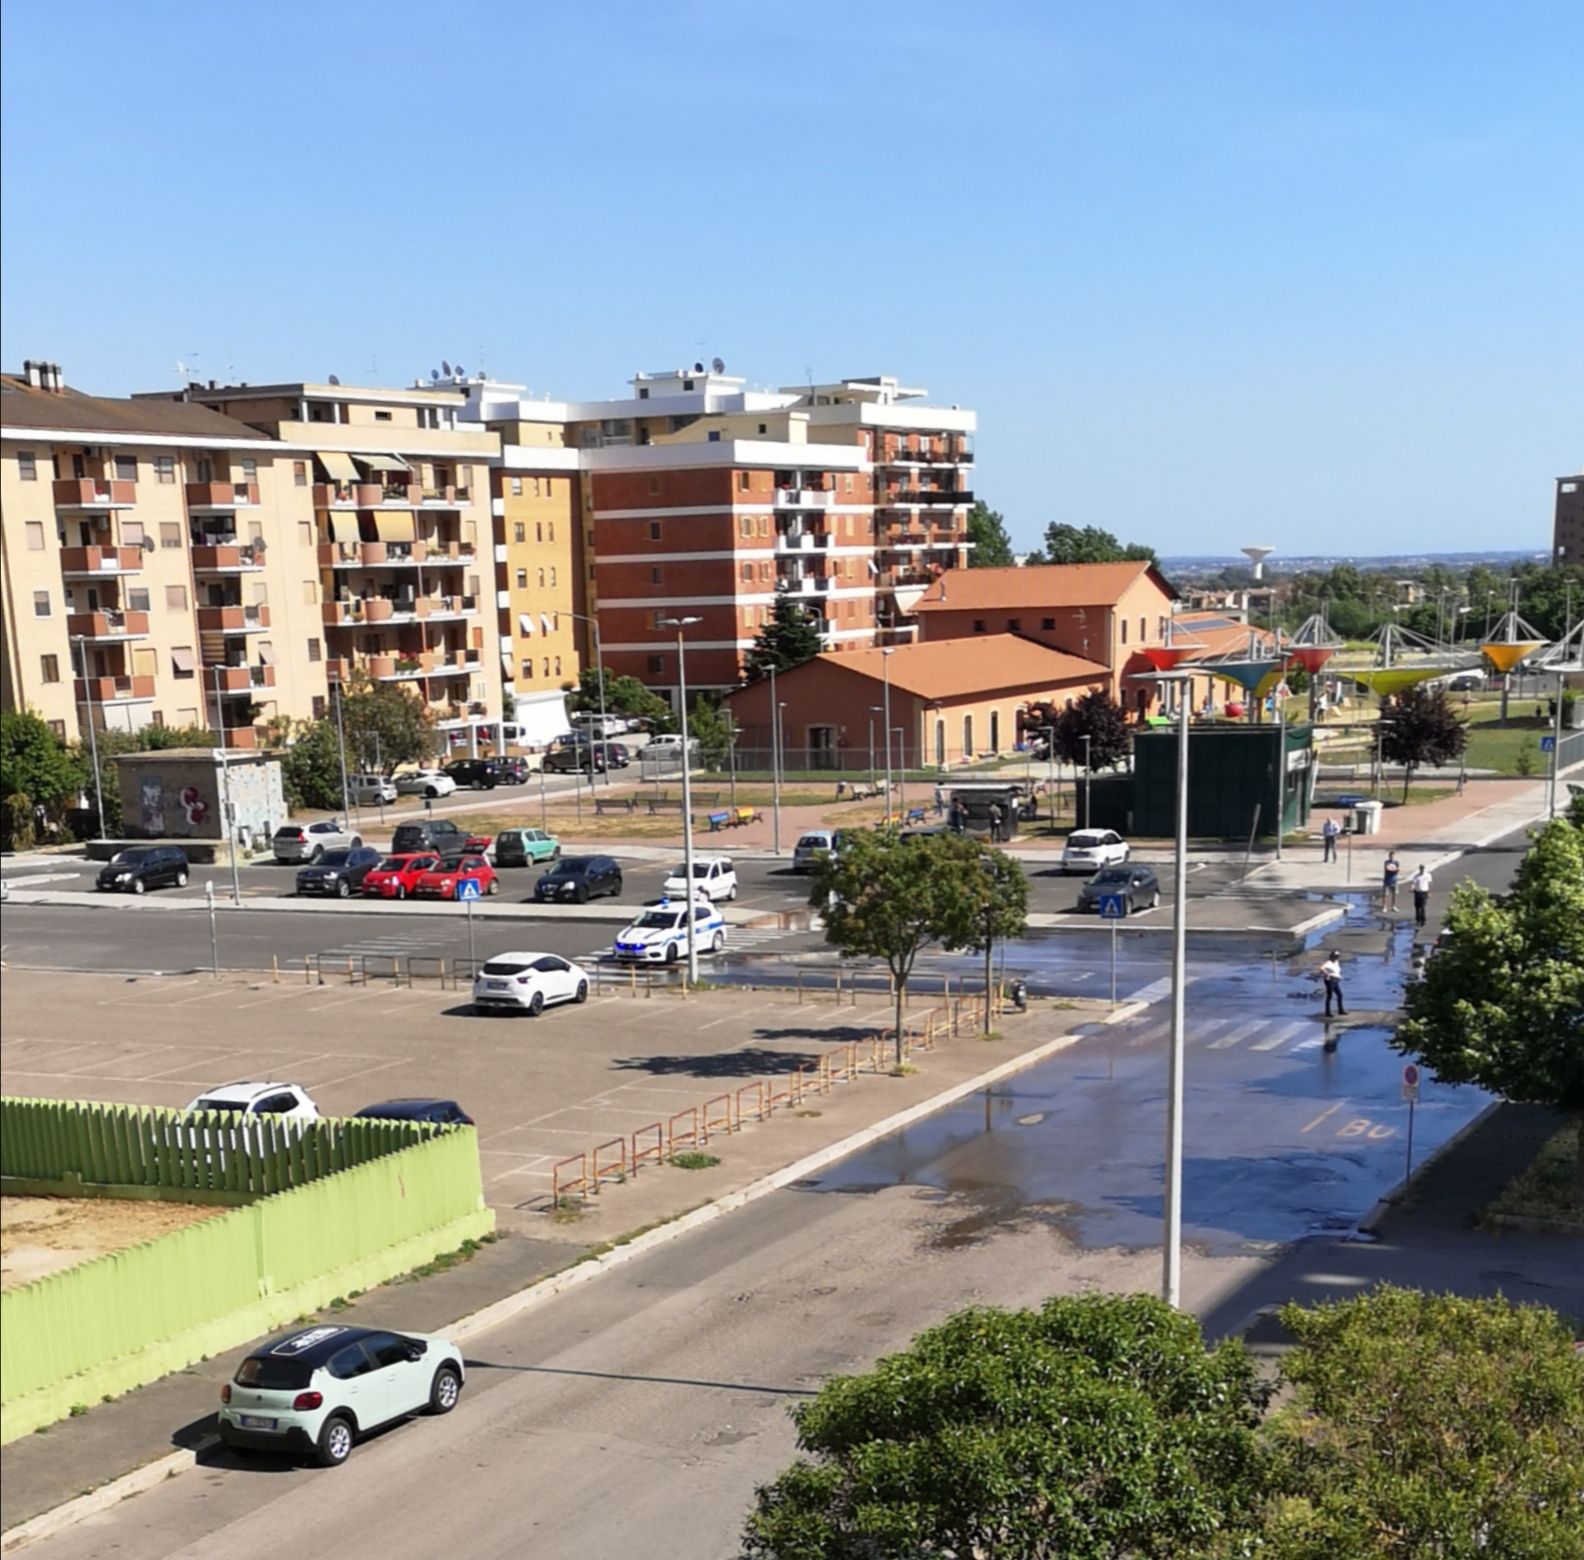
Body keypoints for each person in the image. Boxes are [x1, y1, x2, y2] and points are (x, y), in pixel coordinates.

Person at [1320, 951, 1346, 1018]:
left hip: (1336, 980)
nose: (1336, 958)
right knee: (1330, 996)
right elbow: (1321, 968)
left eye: (1337, 956)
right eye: (1335, 956)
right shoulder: (1329, 962)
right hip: (1330, 980)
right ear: (1332, 956)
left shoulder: (1337, 962)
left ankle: (1341, 1010)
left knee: (1340, 995)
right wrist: (1325, 973)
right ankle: (1327, 1012)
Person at [1410, 864, 1433, 928]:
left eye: (1423, 868)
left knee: (1422, 907)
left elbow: (1429, 884)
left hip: (1424, 892)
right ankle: (1418, 920)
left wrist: (1429, 892)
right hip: (1417, 892)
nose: (1422, 870)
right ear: (1419, 869)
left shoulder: (1427, 875)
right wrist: (1412, 888)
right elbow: (1413, 883)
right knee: (1417, 907)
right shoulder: (1416, 876)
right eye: (1421, 869)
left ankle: (1423, 920)